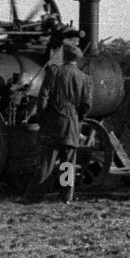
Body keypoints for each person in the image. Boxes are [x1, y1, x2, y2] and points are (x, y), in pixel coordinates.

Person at [26, 44, 92, 204]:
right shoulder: (85, 78)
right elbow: (87, 105)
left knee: (46, 163)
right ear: (78, 59)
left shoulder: (54, 72)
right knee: (67, 164)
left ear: (64, 56)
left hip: (53, 122)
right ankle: (65, 197)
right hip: (72, 123)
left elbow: (43, 98)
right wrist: (78, 119)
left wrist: (41, 117)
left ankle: (35, 197)